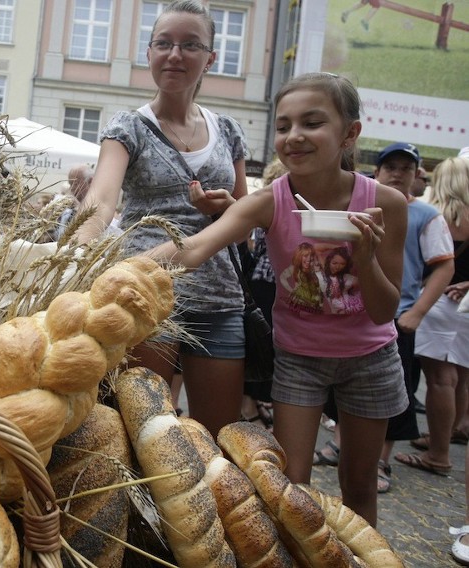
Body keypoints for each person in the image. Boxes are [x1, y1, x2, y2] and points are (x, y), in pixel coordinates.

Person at [145, 71, 408, 526]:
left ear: (350, 133)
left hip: (371, 357)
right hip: (298, 359)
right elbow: (195, 248)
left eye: (312, 123)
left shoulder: (384, 202)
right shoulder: (270, 200)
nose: (294, 136)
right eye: (284, 126)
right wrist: (107, 263)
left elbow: (386, 311)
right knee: (291, 486)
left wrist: (364, 259)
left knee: (360, 483)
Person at [74, 0, 249, 439]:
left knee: (218, 436)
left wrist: (225, 206)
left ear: (210, 58)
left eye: (190, 45)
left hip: (218, 296)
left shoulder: (227, 129)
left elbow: (246, 217)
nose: (175, 55)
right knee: (145, 433)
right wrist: (79, 248)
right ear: (149, 53)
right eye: (164, 44)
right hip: (144, 290)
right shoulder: (128, 126)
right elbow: (103, 195)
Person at [314, 143, 455, 495]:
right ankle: (339, 445)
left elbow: (443, 265)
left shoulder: (425, 215)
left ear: (417, 175)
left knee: (393, 395)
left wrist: (417, 311)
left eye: (405, 168)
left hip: (397, 315)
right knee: (343, 391)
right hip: (348, 314)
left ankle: (382, 459)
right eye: (389, 166)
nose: (397, 173)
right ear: (376, 171)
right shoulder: (357, 203)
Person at [395, 157, 469, 482]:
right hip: (465, 306)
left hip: (438, 303)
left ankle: (438, 453)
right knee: (459, 377)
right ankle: (448, 433)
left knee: (439, 379)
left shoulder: (435, 215)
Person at [240, 159, 288, 428]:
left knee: (263, 346)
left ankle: (253, 403)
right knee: (261, 344)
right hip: (266, 284)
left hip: (266, 282)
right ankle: (249, 406)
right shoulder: (270, 204)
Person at [55, 164, 95, 239]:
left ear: (90, 181)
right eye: (70, 184)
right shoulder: (68, 211)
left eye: (75, 183)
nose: (72, 188)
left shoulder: (99, 207)